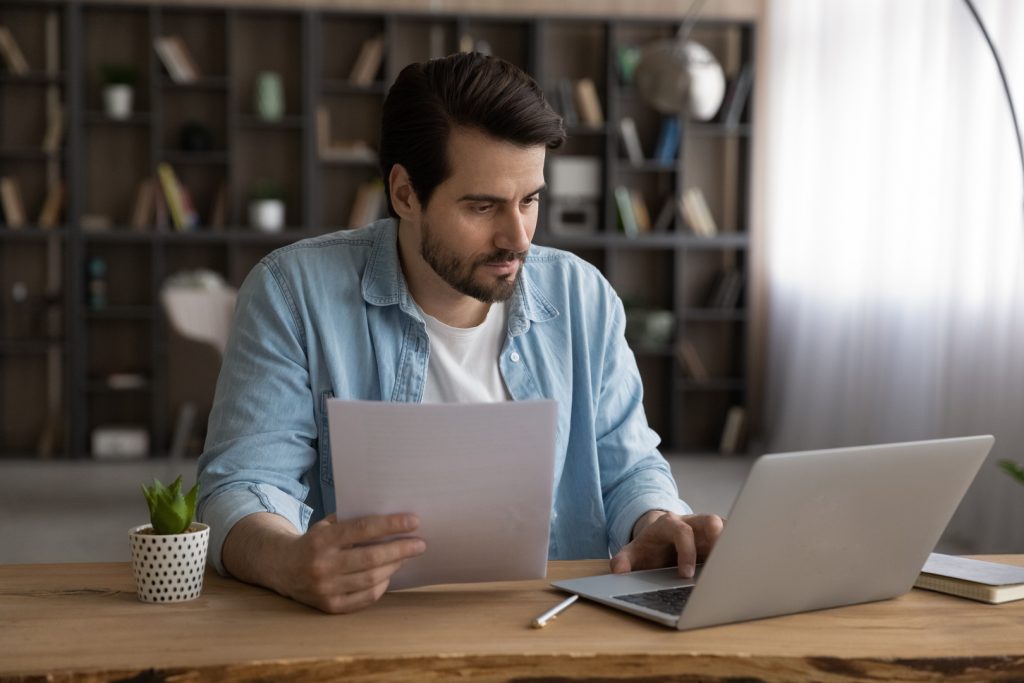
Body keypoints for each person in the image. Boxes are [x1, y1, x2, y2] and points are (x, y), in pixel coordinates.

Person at [197, 51, 723, 614]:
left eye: (530, 200)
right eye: (483, 206)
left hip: (551, 623)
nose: (517, 237)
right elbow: (240, 484)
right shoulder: (292, 292)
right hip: (365, 625)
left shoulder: (582, 296)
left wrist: (658, 520)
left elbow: (629, 465)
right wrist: (287, 560)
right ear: (404, 194)